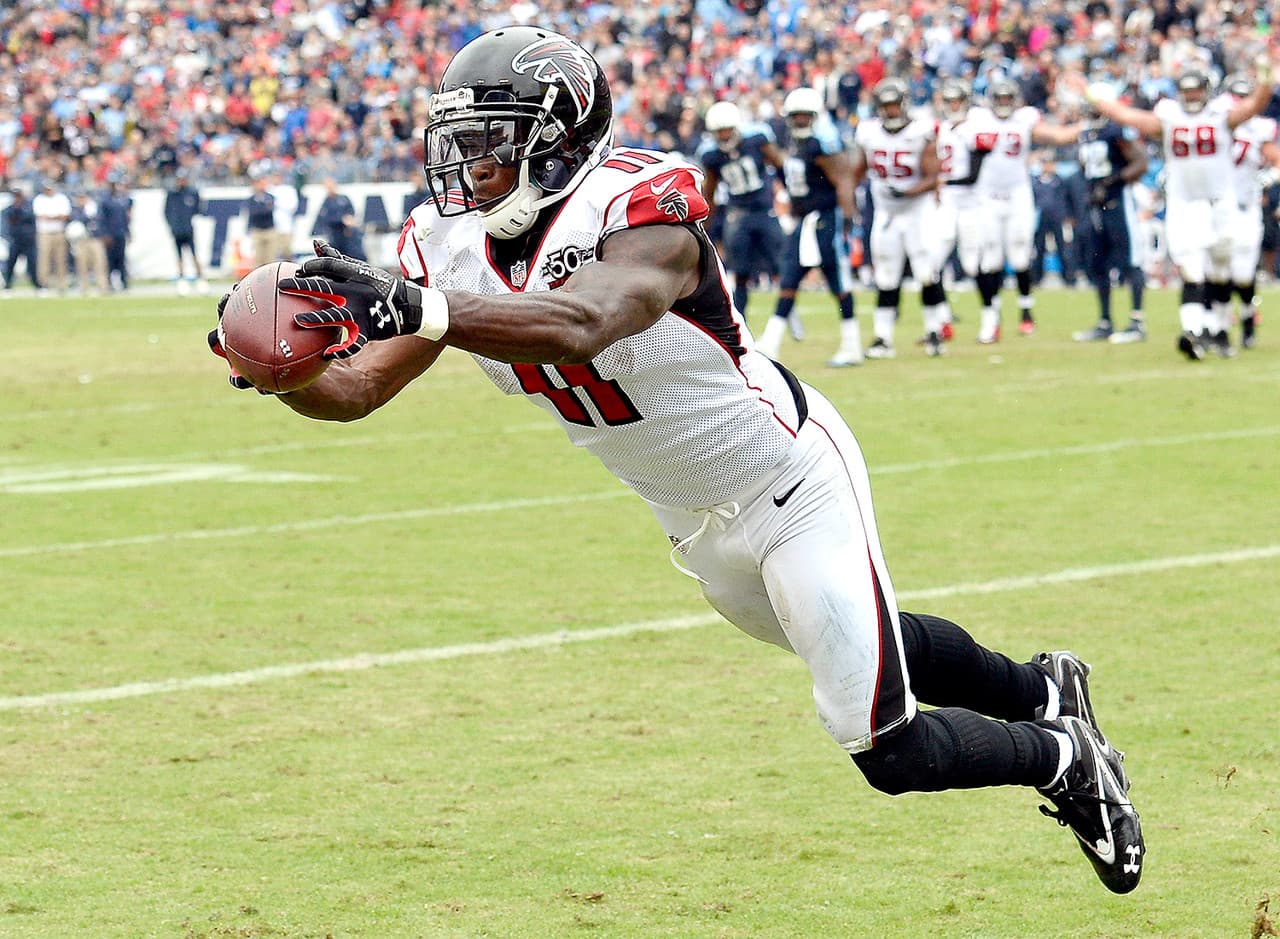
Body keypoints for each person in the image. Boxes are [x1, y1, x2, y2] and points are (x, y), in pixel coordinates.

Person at [209, 26, 1143, 894]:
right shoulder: (445, 247)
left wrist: (419, 308)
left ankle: (1066, 759)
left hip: (788, 479)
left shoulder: (643, 202)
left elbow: (585, 323)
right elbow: (359, 390)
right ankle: (1044, 688)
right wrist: (282, 369)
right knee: (865, 643)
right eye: (462, 141)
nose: (472, 165)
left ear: (560, 139)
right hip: (695, 527)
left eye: (494, 140)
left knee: (882, 742)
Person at [1087, 63, 1275, 359]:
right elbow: (1129, 116)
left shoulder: (1221, 117)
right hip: (1185, 204)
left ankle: (1219, 328)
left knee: (1220, 270)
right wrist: (1093, 97)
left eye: (1196, 90)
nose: (1191, 96)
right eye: (1186, 91)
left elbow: (1254, 106)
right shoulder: (1169, 117)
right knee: (1191, 269)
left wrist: (1265, 80)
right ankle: (1194, 332)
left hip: (1219, 204)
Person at [755, 86, 863, 367]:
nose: (801, 120)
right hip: (805, 221)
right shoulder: (794, 141)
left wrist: (848, 218)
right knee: (789, 277)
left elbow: (844, 180)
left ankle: (852, 345)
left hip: (826, 218)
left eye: (806, 115)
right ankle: (771, 343)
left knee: (837, 281)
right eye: (797, 115)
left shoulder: (822, 142)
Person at [975, 79, 1081, 340]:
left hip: (1017, 195)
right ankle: (992, 317)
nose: (1002, 104)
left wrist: (1088, 126)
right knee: (991, 259)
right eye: (998, 99)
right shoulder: (977, 120)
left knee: (1020, 255)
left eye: (1006, 99)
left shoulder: (1024, 119)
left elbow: (1057, 136)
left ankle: (1025, 313)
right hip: (987, 195)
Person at [850, 77, 948, 358]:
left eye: (895, 106)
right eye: (886, 106)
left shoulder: (921, 131)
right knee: (886, 277)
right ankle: (883, 338)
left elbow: (933, 176)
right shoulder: (868, 132)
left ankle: (933, 332)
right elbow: (857, 170)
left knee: (925, 272)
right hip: (887, 214)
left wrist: (907, 192)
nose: (891, 111)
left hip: (918, 212)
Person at [696, 101, 786, 325]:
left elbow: (780, 163)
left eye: (727, 129)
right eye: (720, 131)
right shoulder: (711, 155)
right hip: (738, 213)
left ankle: (788, 313)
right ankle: (740, 321)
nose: (725, 135)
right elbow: (711, 191)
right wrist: (705, 224)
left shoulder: (757, 140)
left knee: (780, 264)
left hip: (764, 210)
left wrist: (788, 193)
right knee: (741, 271)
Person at [1071, 99, 1150, 343]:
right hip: (1096, 206)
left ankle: (1137, 322)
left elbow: (1141, 163)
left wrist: (1111, 182)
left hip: (1118, 203)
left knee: (1130, 261)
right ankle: (1105, 321)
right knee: (1099, 263)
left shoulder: (1115, 131)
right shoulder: (1085, 134)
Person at [1222, 73, 1279, 350]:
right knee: (1215, 269)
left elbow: (1277, 160)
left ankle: (1246, 318)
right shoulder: (1212, 122)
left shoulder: (1259, 128)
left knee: (1243, 273)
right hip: (1214, 208)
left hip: (1245, 207)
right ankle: (1215, 327)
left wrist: (1269, 177)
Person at [165, 169, 208, 295]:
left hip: (188, 229)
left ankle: (200, 278)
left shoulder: (191, 193)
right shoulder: (172, 194)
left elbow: (198, 209)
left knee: (194, 255)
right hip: (177, 230)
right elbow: (167, 212)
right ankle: (182, 279)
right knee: (179, 257)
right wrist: (172, 225)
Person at [32, 178, 70, 294]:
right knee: (44, 260)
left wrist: (51, 217)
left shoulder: (61, 198)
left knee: (61, 259)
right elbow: (40, 216)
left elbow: (65, 216)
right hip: (45, 233)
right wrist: (56, 216)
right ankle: (44, 285)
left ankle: (62, 285)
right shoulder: (39, 199)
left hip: (59, 232)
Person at [313, 177, 366, 261]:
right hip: (335, 235)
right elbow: (325, 219)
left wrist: (349, 219)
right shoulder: (326, 202)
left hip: (348, 234)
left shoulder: (344, 198)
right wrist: (341, 220)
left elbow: (351, 211)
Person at [67, 191, 108, 295]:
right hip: (82, 240)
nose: (81, 200)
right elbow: (77, 220)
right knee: (82, 265)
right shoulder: (76, 210)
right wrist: (86, 215)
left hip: (95, 239)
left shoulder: (95, 208)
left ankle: (103, 287)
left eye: (83, 198)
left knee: (99, 264)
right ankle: (84, 288)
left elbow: (101, 220)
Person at [1, 188, 41, 292]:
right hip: (15, 239)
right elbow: (8, 218)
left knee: (32, 263)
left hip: (28, 240)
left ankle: (36, 284)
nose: (17, 198)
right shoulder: (9, 209)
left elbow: (28, 217)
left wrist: (19, 211)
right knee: (11, 263)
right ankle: (8, 284)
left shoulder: (28, 207)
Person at [99, 177, 133, 291]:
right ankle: (109, 283)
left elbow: (125, 218)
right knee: (110, 260)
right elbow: (102, 219)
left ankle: (123, 282)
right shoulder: (105, 200)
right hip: (110, 234)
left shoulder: (121, 199)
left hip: (120, 233)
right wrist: (105, 234)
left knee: (121, 258)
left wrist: (128, 232)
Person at [244, 173, 277, 265]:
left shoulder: (270, 197)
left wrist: (260, 208)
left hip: (269, 230)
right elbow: (253, 212)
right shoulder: (251, 199)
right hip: (257, 230)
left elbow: (268, 210)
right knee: (258, 259)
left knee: (270, 259)